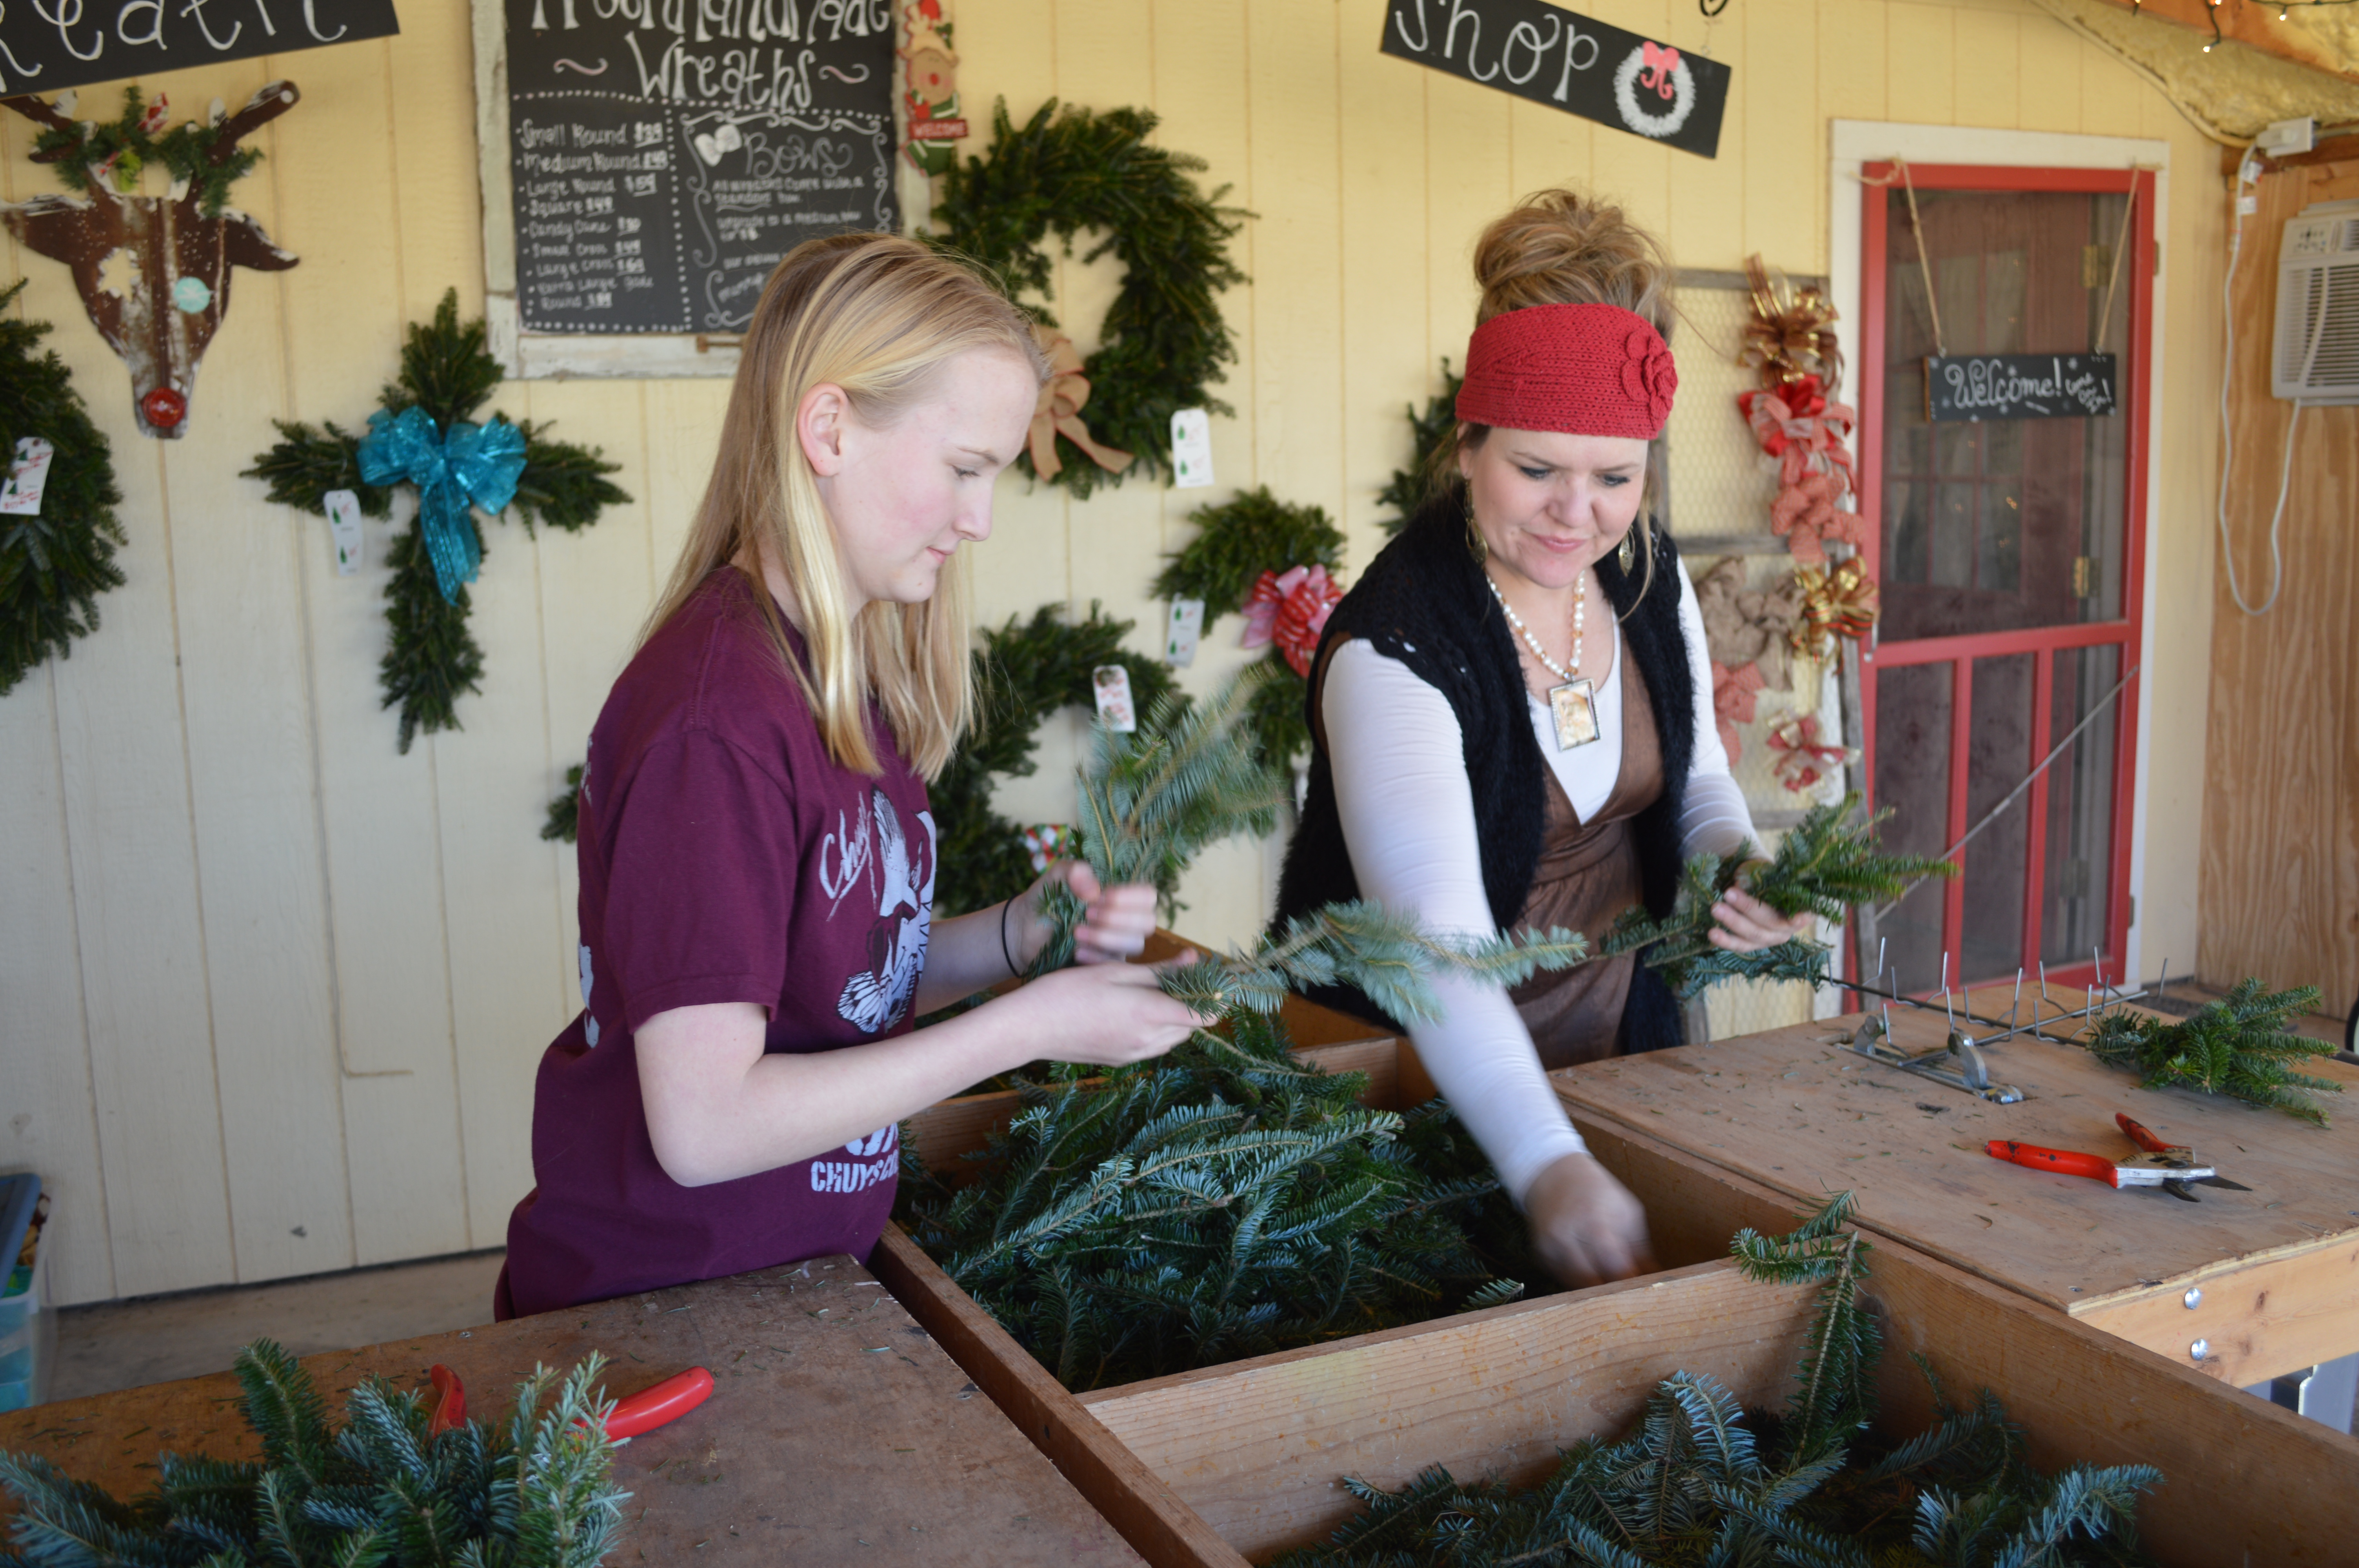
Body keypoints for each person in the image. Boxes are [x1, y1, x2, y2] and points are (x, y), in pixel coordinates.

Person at [497, 234, 1212, 1320]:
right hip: (658, 1313)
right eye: (965, 469)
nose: (977, 520)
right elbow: (703, 1127)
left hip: (785, 1285)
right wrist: (1027, 1028)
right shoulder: (718, 722)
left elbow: (836, 989)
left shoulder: (828, 675)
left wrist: (1022, 938)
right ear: (828, 429)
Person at [1272, 191, 1813, 1290]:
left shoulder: (1647, 581)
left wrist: (1736, 870)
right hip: (1413, 1095)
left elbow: (1700, 782)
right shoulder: (1400, 651)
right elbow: (1441, 960)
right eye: (1537, 471)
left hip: (1625, 1054)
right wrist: (1547, 1162)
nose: (1580, 514)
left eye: (1616, 478)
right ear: (1467, 446)